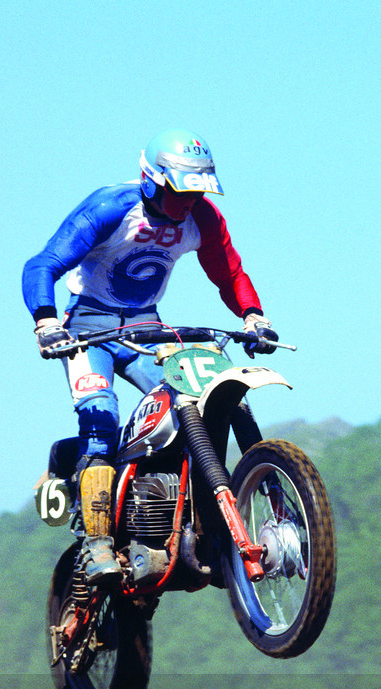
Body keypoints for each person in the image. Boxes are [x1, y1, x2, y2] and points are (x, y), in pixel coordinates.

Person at [22, 128, 276, 587]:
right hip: (86, 331)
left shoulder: (204, 218)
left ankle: (187, 526)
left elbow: (229, 272)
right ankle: (97, 541)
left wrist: (254, 317)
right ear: (152, 178)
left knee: (190, 405)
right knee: (100, 422)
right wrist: (45, 321)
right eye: (178, 191)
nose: (187, 203)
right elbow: (42, 264)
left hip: (146, 329)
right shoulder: (110, 206)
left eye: (196, 192)